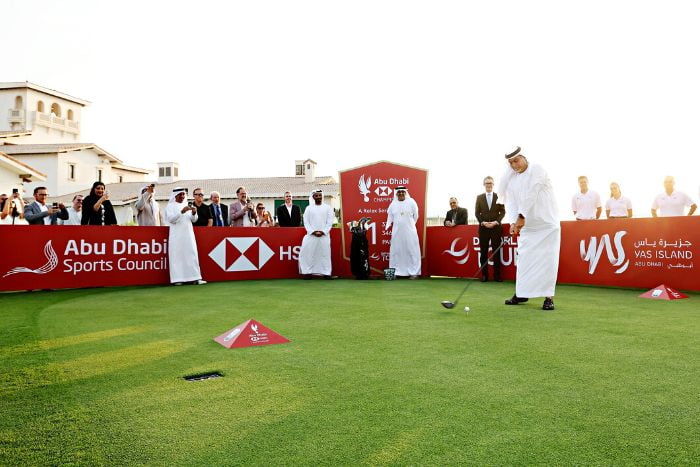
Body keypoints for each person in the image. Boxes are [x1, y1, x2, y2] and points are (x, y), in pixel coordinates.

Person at [499, 147, 560, 311]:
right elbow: (512, 202)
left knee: (548, 261)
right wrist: (513, 221)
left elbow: (532, 193)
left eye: (516, 161)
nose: (514, 165)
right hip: (529, 227)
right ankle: (521, 293)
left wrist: (521, 216)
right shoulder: (512, 180)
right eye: (510, 163)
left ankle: (548, 298)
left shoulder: (537, 170)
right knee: (524, 260)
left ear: (524, 157)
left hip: (547, 225)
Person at [164, 187, 206, 285]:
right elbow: (171, 219)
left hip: (188, 234)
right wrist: (182, 212)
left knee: (192, 254)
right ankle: (178, 279)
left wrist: (194, 213)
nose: (183, 196)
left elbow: (193, 219)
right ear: (175, 196)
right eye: (180, 194)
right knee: (177, 256)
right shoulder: (170, 206)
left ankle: (195, 278)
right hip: (177, 236)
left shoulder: (186, 204)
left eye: (184, 194)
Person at [475, 176, 506, 282]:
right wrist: (483, 223)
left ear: (493, 184)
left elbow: (503, 212)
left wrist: (496, 222)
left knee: (496, 252)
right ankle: (484, 276)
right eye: (487, 183)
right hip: (483, 229)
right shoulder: (479, 197)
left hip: (496, 228)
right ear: (484, 185)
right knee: (483, 253)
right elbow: (476, 213)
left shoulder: (499, 196)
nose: (489, 185)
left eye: (490, 183)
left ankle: (497, 276)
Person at [386, 186, 421, 279]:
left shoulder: (412, 202)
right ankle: (396, 272)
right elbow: (390, 217)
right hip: (397, 232)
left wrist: (410, 225)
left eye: (403, 192)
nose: (401, 193)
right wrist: (388, 225)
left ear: (405, 193)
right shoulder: (393, 204)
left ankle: (414, 272)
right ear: (396, 193)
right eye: (399, 192)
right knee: (396, 251)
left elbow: (416, 216)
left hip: (410, 232)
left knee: (412, 250)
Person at [298, 189, 335, 279]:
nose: (318, 197)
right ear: (313, 197)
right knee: (308, 254)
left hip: (324, 236)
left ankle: (326, 273)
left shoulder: (328, 208)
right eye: (316, 195)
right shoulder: (308, 208)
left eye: (320, 195)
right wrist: (313, 231)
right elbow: (306, 221)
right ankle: (307, 273)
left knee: (325, 255)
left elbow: (329, 222)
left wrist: (323, 231)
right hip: (311, 235)